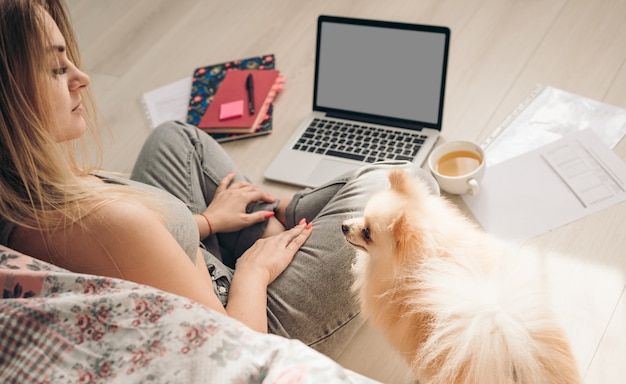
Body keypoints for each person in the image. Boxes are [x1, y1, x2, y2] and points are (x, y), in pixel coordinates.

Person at [0, 0, 437, 357]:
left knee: (174, 138)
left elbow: (136, 254)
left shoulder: (21, 194)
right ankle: (286, 219)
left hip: (188, 266)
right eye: (57, 70)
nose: (82, 78)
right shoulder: (100, 227)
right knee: (404, 184)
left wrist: (207, 222)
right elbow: (234, 351)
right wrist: (253, 271)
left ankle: (273, 219)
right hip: (250, 318)